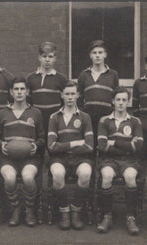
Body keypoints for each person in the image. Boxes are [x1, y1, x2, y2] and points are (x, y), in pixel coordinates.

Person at [0, 77, 45, 227]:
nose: (19, 92)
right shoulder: (3, 113)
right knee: (9, 178)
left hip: (30, 157)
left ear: (27, 91)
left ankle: (29, 209)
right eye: (16, 89)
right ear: (11, 92)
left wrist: (36, 145)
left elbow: (42, 138)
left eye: (22, 89)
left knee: (28, 177)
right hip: (7, 157)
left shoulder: (35, 113)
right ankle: (15, 208)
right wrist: (0, 144)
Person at [96, 87, 143, 235]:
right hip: (109, 160)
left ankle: (130, 216)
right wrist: (127, 145)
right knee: (107, 176)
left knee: (130, 177)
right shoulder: (104, 121)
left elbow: (138, 146)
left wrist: (114, 143)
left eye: (124, 100)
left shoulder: (135, 121)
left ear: (128, 102)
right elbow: (102, 146)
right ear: (113, 101)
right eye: (118, 100)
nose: (121, 103)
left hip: (129, 161)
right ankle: (107, 216)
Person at [47, 82, 94, 230]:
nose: (70, 97)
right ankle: (64, 211)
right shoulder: (54, 117)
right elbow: (51, 146)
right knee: (58, 174)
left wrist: (64, 147)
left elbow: (89, 146)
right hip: (59, 159)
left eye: (73, 94)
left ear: (78, 95)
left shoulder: (85, 117)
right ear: (61, 95)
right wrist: (74, 144)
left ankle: (76, 210)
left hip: (80, 159)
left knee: (86, 173)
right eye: (67, 94)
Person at [77, 40, 119, 153]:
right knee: (90, 146)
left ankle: (105, 168)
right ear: (90, 55)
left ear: (105, 54)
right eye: (94, 52)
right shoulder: (84, 75)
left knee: (104, 146)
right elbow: (79, 98)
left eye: (100, 52)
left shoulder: (113, 74)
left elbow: (116, 97)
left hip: (106, 117)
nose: (97, 55)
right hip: (89, 118)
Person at [26, 41, 68, 134]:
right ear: (39, 58)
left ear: (55, 58)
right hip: (36, 121)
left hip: (55, 122)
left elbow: (65, 102)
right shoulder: (31, 78)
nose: (47, 60)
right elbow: (28, 102)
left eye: (50, 56)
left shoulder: (61, 78)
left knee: (53, 147)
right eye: (44, 56)